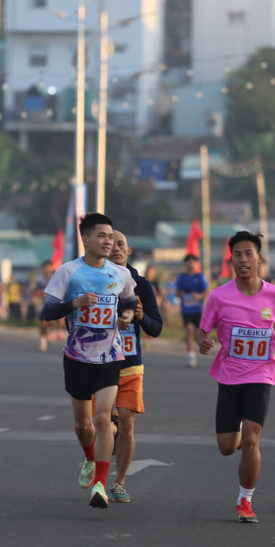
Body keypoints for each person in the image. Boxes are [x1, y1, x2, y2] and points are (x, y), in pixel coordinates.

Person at [197, 231, 275, 523]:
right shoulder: (219, 296)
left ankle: (245, 500)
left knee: (251, 437)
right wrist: (203, 342)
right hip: (229, 378)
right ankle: (244, 444)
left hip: (261, 376)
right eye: (238, 255)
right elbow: (202, 331)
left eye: (249, 254)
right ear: (231, 259)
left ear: (259, 257)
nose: (243, 259)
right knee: (226, 447)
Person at [40, 213, 137, 509]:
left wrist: (127, 316)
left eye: (111, 236)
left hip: (110, 357)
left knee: (103, 418)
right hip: (77, 357)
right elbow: (47, 311)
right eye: (102, 236)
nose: (108, 241)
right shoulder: (69, 272)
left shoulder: (120, 274)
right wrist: (74, 304)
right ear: (85, 239)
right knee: (84, 425)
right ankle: (88, 458)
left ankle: (100, 485)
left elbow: (130, 301)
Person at [105, 229, 163, 503]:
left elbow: (157, 327)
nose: (116, 248)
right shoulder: (93, 279)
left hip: (130, 365)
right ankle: (93, 459)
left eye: (121, 244)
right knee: (100, 424)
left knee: (127, 424)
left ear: (129, 251)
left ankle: (119, 482)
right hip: (99, 363)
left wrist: (141, 316)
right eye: (111, 243)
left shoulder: (142, 285)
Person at [176, 254, 208, 368]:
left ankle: (193, 349)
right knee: (189, 330)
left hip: (197, 310)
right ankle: (191, 355)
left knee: (195, 332)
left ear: (195, 264)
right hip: (186, 310)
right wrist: (182, 294)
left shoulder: (199, 277)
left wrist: (198, 296)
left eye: (192, 261)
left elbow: (206, 292)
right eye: (188, 261)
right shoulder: (182, 278)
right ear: (185, 264)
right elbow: (177, 292)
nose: (190, 264)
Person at [34, 260, 61, 352]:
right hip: (42, 304)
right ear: (43, 268)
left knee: (51, 322)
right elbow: (35, 291)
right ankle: (43, 341)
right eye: (45, 267)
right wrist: (42, 294)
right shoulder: (39, 279)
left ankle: (51, 331)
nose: (47, 269)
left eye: (48, 267)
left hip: (52, 304)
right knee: (42, 323)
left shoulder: (55, 278)